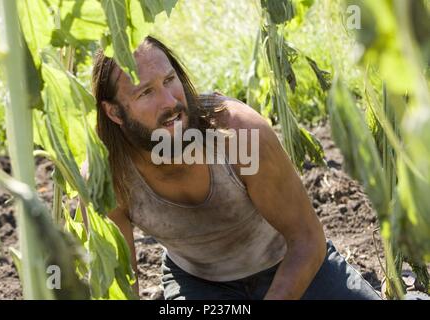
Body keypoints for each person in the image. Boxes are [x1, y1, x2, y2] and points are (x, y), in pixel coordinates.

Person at [89, 35, 381, 300]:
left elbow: (307, 240)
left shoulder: (238, 134)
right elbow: (121, 285)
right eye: (145, 93)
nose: (170, 101)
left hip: (294, 265)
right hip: (201, 286)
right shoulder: (109, 176)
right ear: (114, 111)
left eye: (169, 80)